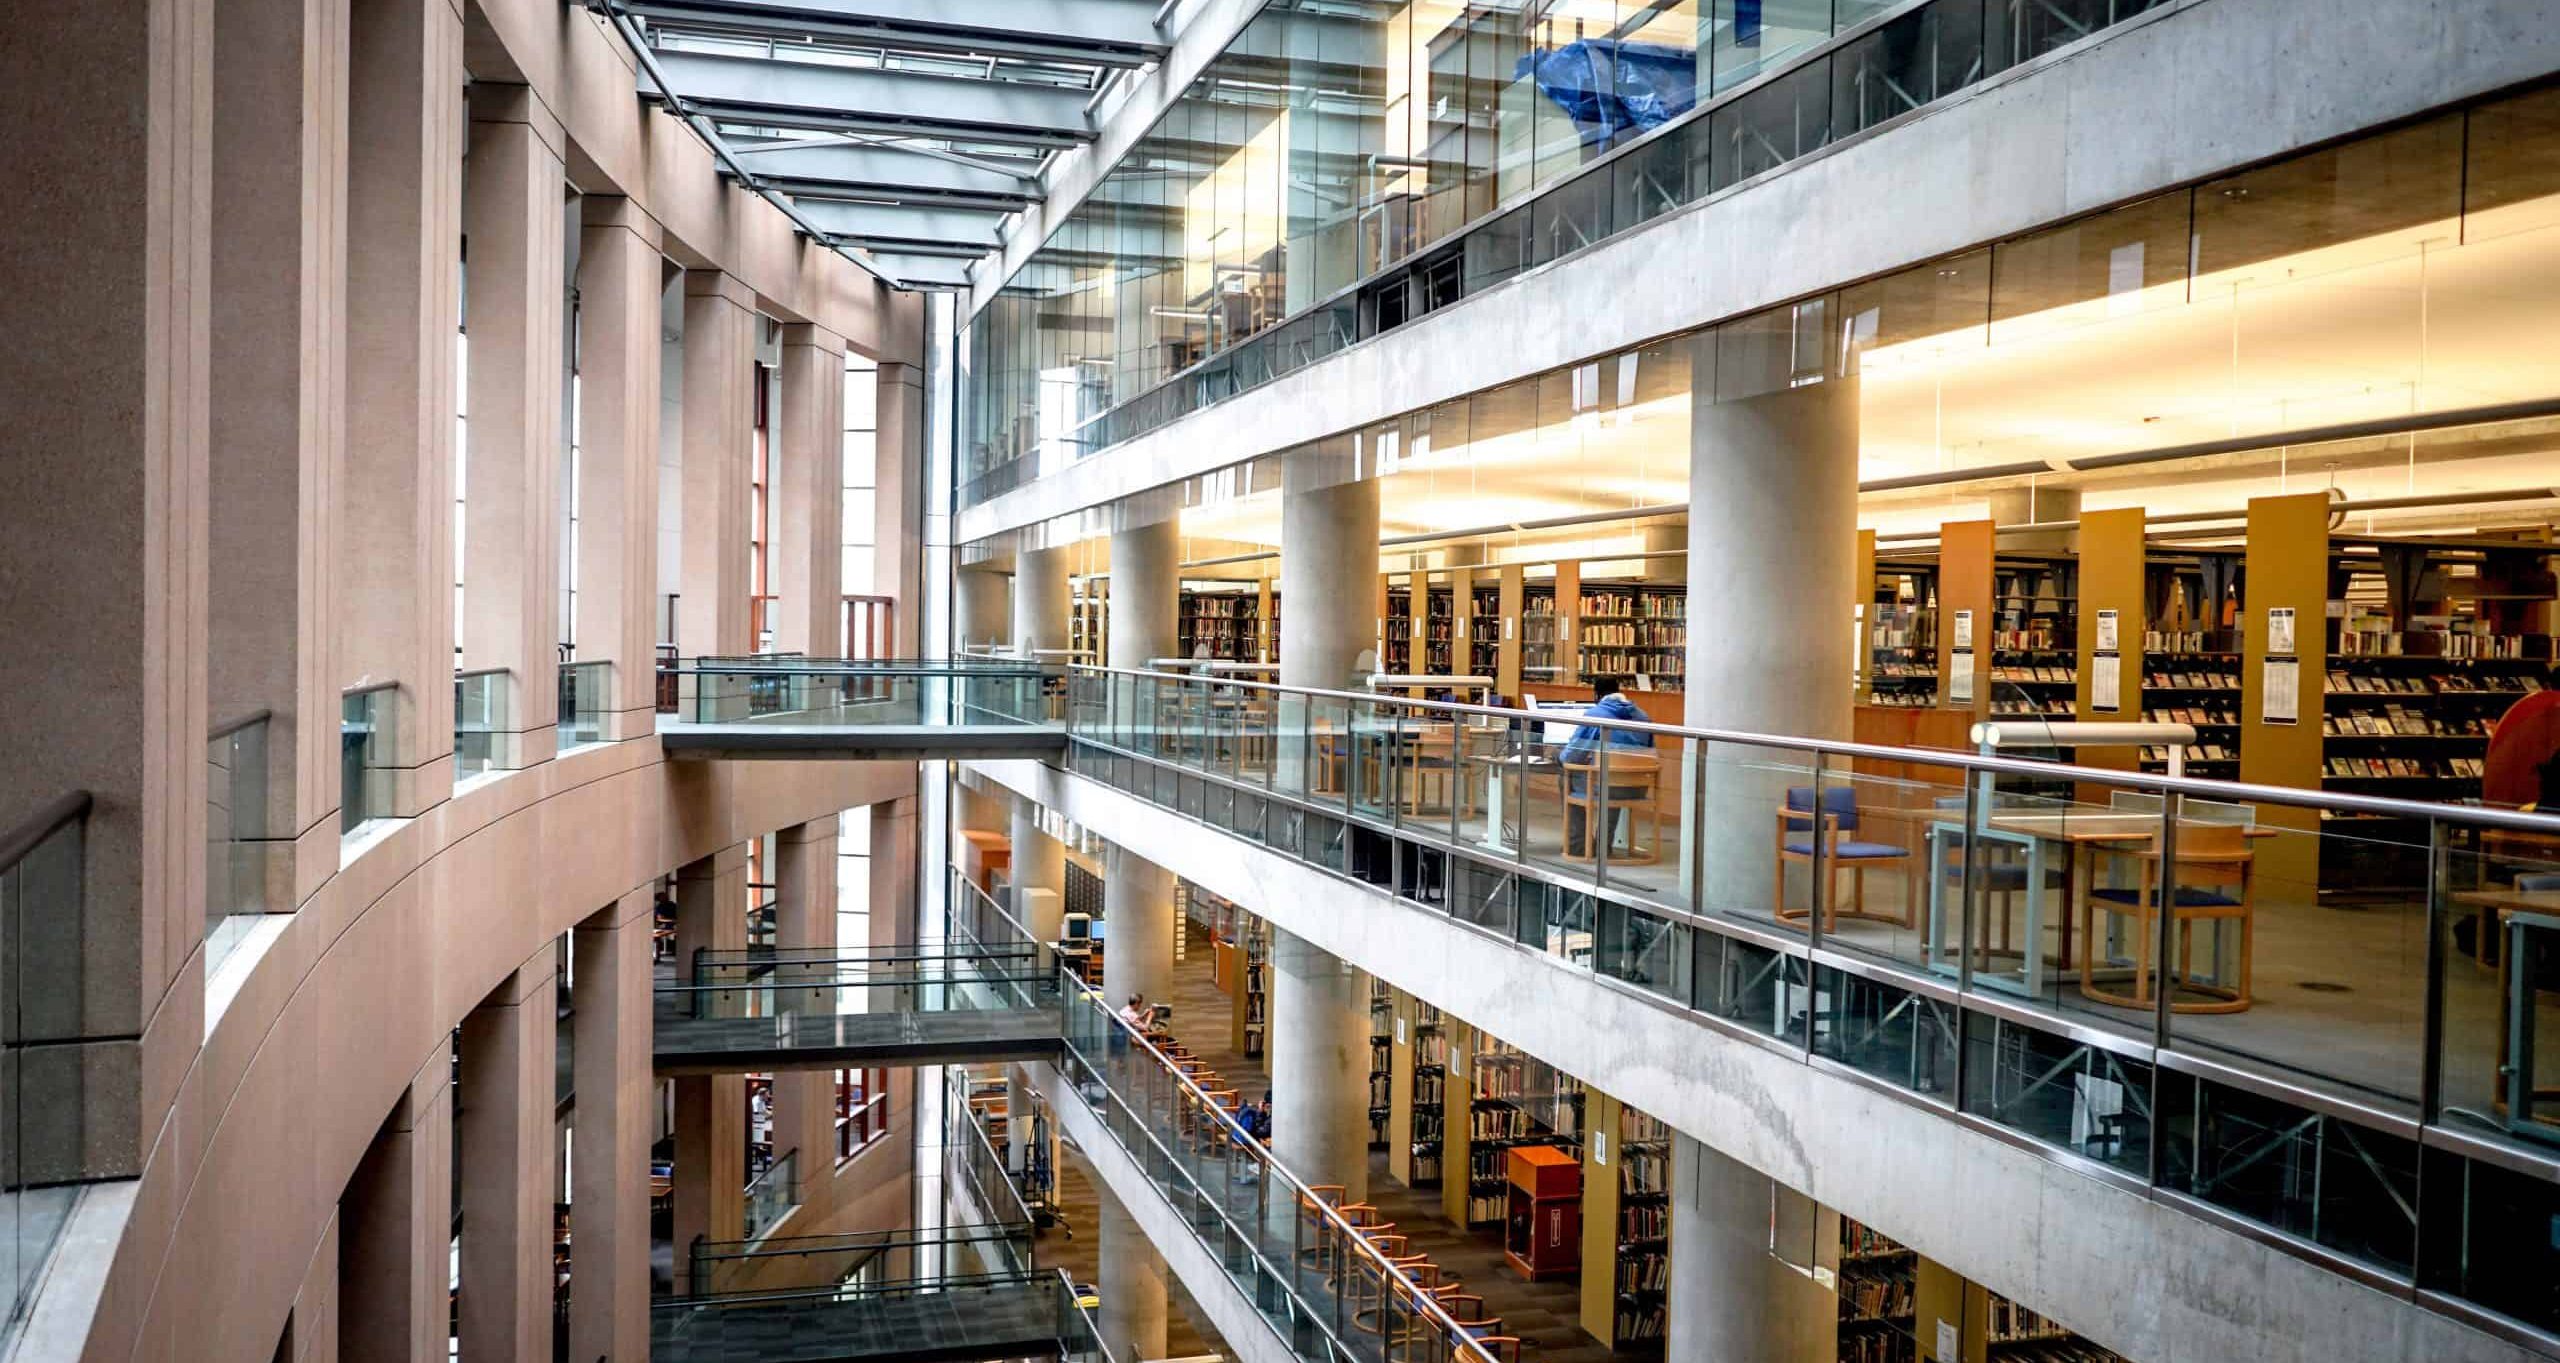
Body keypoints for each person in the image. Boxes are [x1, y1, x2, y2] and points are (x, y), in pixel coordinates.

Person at [1560, 677, 1656, 857]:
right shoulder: (1643, 716)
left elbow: (1572, 756)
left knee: (1567, 778)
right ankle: (1603, 846)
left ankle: (1578, 846)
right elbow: (1650, 753)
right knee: (1613, 777)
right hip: (1637, 788)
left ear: (1596, 694)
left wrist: (1559, 755)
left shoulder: (1595, 714)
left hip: (1605, 786)